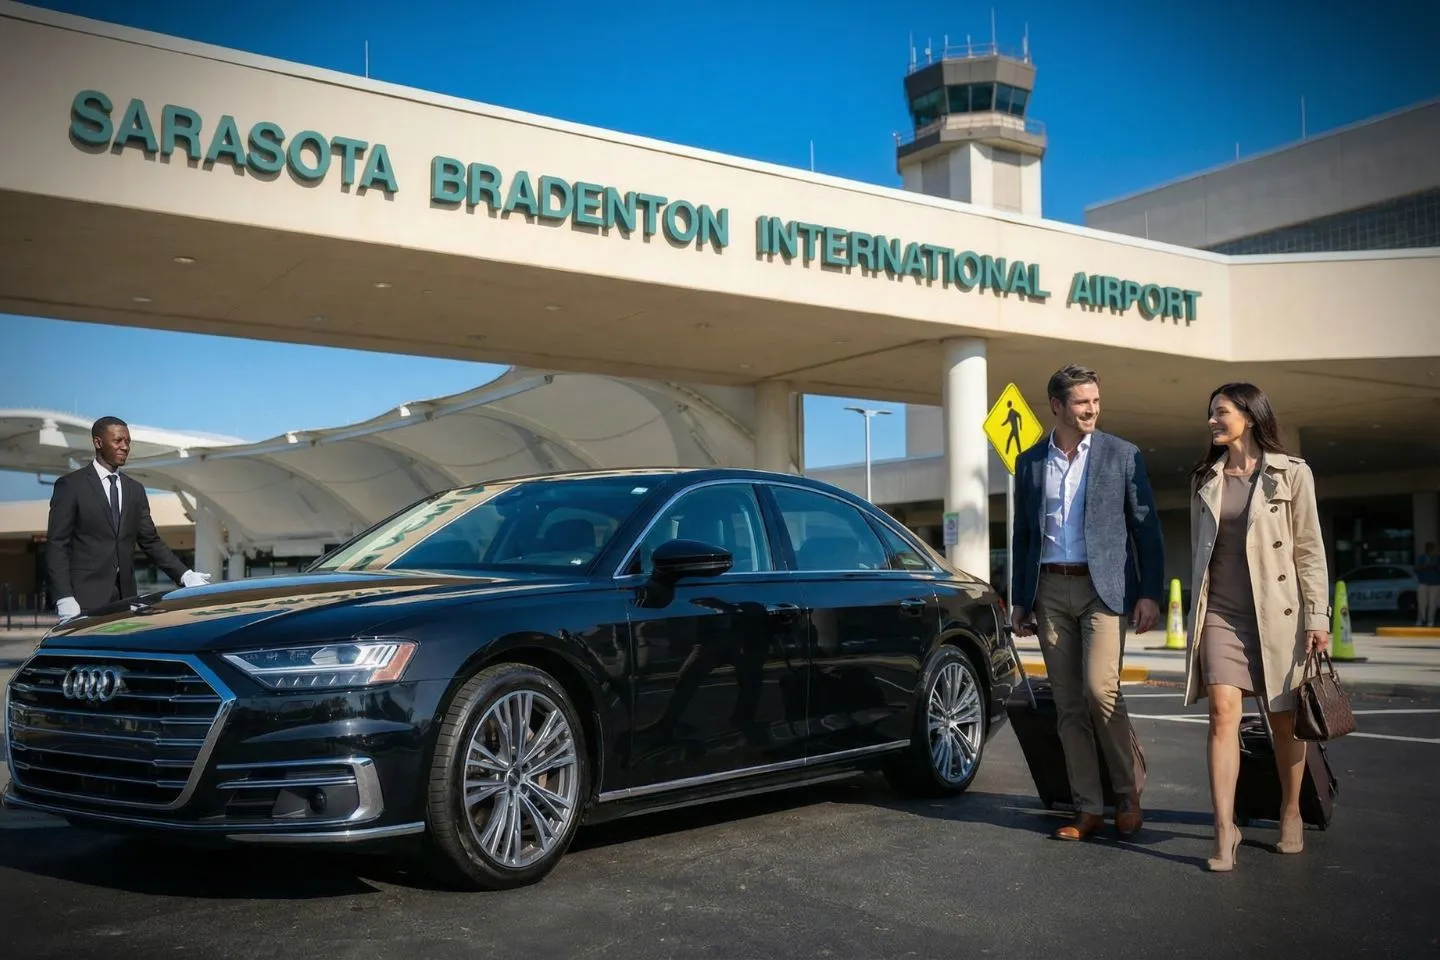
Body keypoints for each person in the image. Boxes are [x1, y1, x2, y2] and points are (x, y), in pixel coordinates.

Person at [1011, 363, 1164, 841]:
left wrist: (1149, 593)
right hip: (1051, 589)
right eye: (1082, 402)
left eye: (1096, 400)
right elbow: (1023, 534)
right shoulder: (1031, 462)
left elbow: (1147, 529)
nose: (1092, 409)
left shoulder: (1123, 455)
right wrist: (1020, 598)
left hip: (1105, 589)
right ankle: (1087, 808)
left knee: (1102, 692)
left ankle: (1127, 794)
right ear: (1057, 406)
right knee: (1069, 705)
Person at [1183, 383, 1329, 872]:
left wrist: (1319, 618)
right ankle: (1225, 829)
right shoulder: (1205, 477)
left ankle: (1291, 810)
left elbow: (1309, 551)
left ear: (1248, 415)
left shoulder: (1292, 475)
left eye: (1220, 413)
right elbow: (1202, 553)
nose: (1212, 421)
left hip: (1277, 614)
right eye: (1210, 414)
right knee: (1223, 713)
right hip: (1221, 612)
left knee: (1284, 719)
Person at [46, 416, 211, 620]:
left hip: (126, 601)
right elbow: (57, 545)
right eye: (118, 441)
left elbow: (150, 542)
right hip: (82, 601)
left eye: (128, 442)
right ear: (98, 442)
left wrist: (185, 574)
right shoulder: (71, 486)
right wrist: (64, 596)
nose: (125, 447)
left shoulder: (135, 490)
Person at [1416, 541, 1439, 628]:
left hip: (1435, 583)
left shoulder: (1438, 558)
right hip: (1423, 582)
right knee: (1422, 602)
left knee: (1432, 603)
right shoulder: (1421, 558)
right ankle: (1420, 620)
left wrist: (1434, 566)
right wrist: (1425, 566)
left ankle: (1430, 621)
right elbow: (1415, 568)